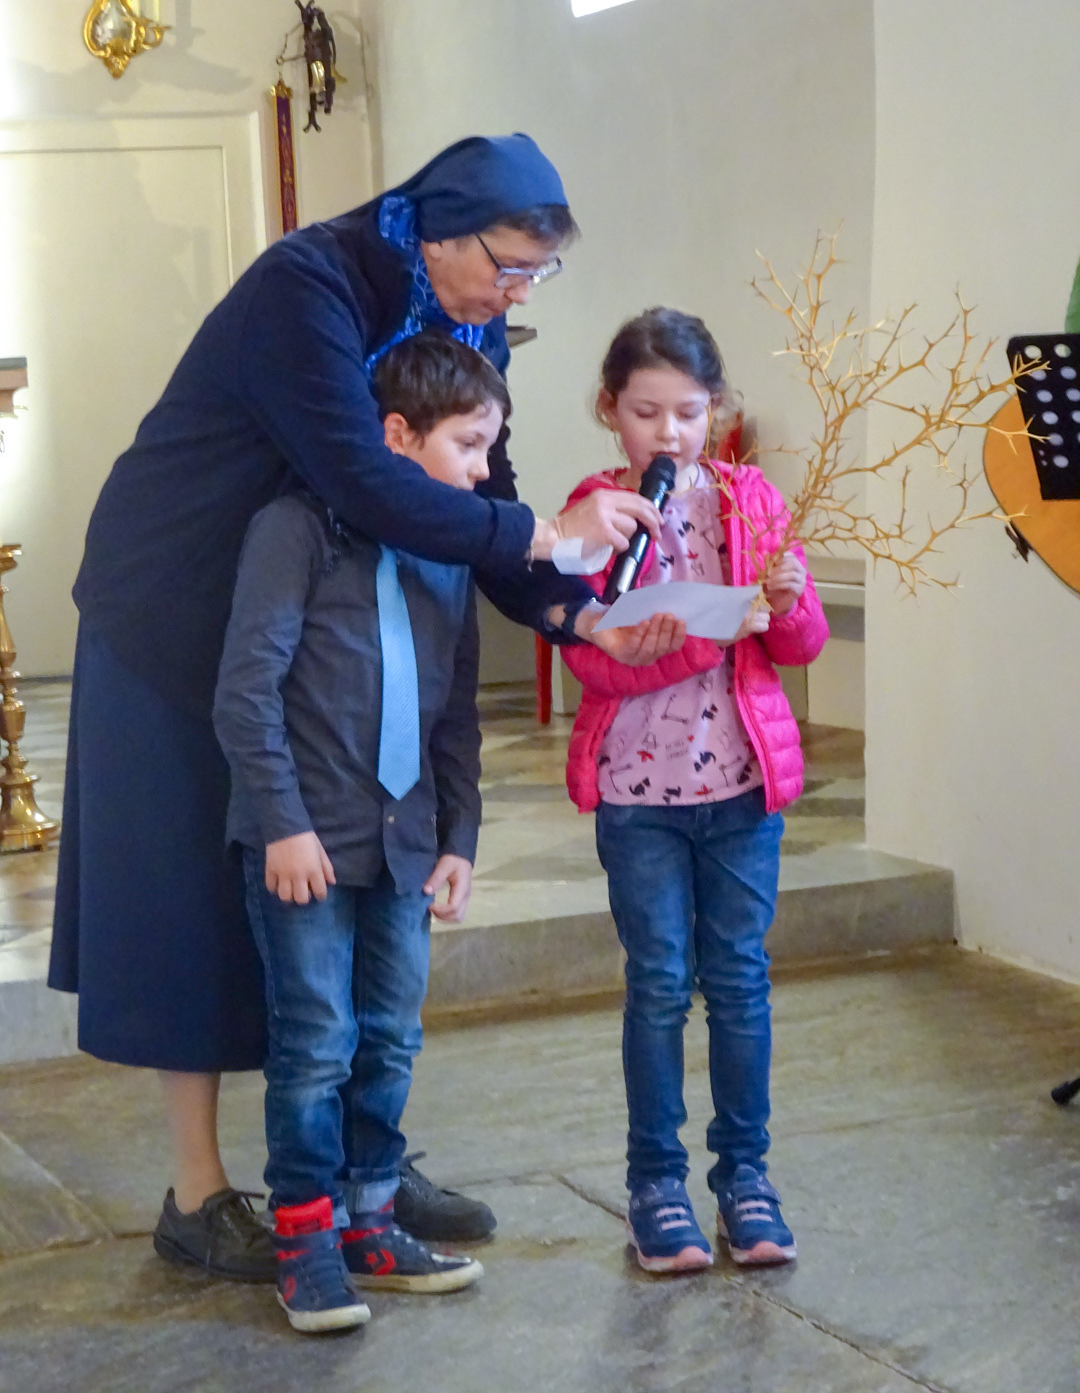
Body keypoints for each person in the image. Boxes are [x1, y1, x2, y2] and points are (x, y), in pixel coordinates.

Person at [50, 133, 683, 1282]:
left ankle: (358, 1178)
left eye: (539, 274)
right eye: (508, 266)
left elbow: (481, 488)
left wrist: (577, 615)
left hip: (328, 632)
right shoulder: (309, 286)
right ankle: (198, 1194)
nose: (518, 293)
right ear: (440, 231)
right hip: (179, 608)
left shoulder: (468, 312)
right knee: (198, 908)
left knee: (355, 904)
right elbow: (359, 475)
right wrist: (549, 537)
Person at [213, 331, 504, 1332]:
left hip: (407, 845)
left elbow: (455, 715)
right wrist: (283, 825)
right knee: (315, 1043)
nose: (484, 472)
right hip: (307, 844)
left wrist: (459, 837)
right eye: (469, 446)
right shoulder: (295, 530)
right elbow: (245, 692)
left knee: (389, 1038)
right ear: (396, 436)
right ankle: (305, 1240)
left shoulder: (449, 554)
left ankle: (371, 1219)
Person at [559, 309, 829, 1273]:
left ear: (716, 409)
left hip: (742, 788)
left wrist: (787, 605)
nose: (668, 433)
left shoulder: (751, 501)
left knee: (741, 981)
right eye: (646, 413)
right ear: (610, 410)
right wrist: (682, 645)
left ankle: (747, 1179)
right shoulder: (595, 511)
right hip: (640, 796)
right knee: (661, 983)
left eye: (687, 412)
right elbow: (592, 662)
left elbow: (800, 645)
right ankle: (656, 1185)